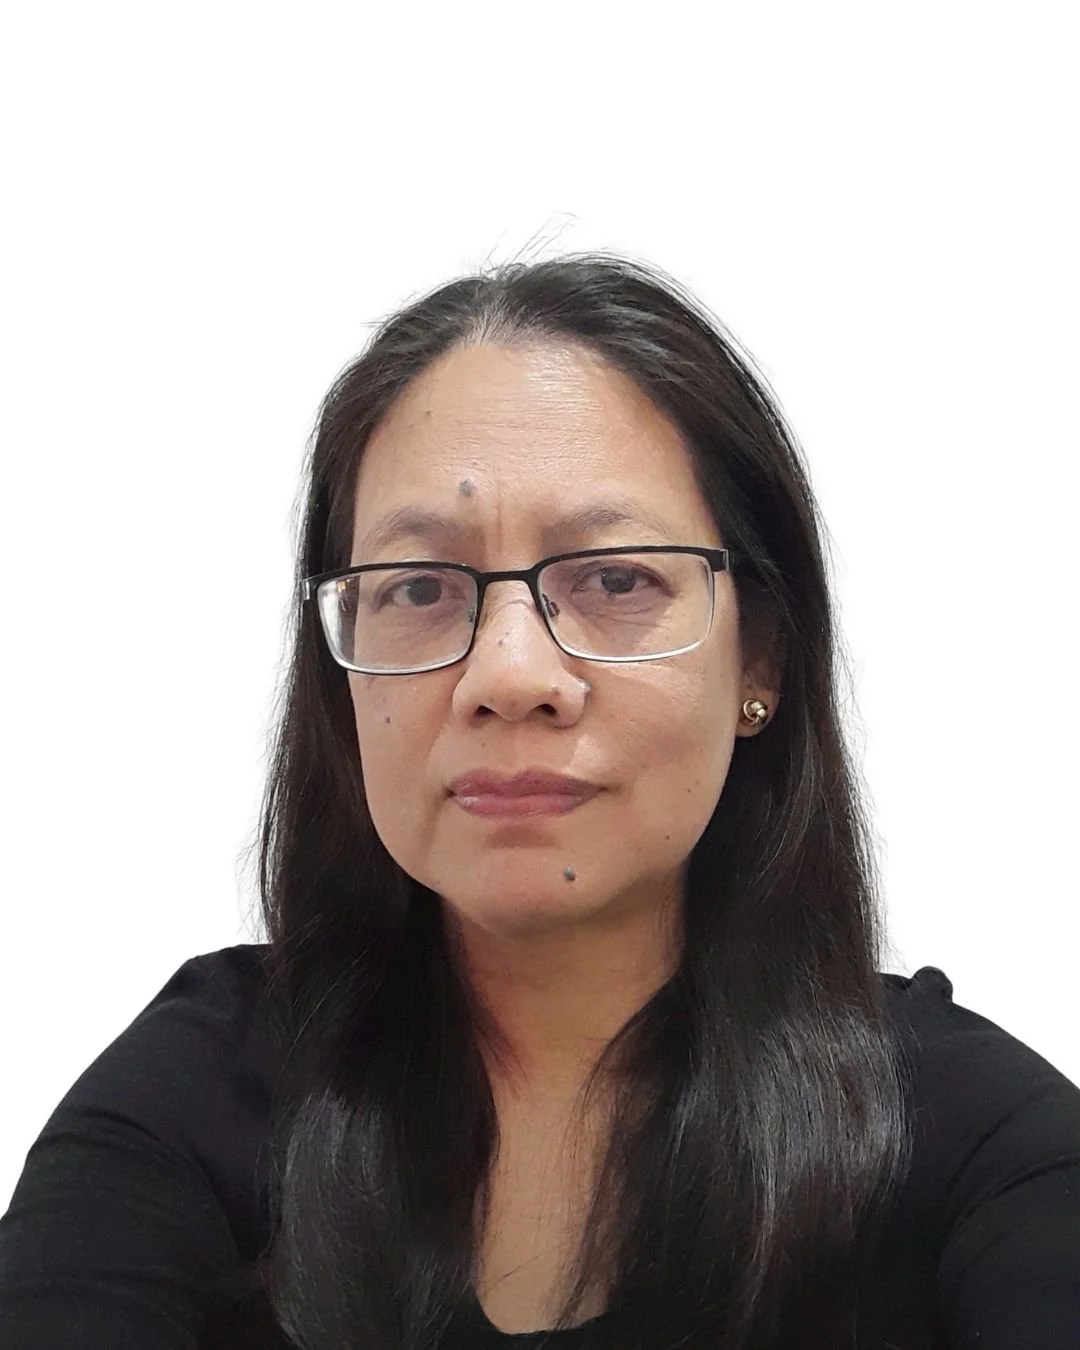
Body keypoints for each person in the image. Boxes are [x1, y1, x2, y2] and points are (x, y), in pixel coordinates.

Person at [1, 254, 1077, 1350]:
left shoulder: (967, 1142)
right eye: (420, 590)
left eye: (615, 580)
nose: (509, 676)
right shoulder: (197, 1102)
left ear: (759, 659)